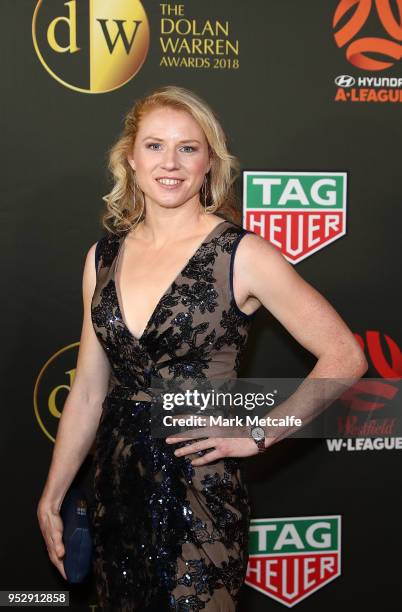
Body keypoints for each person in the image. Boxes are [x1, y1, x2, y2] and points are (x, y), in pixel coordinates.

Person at [37, 85, 367, 610]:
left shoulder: (244, 254)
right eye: (154, 146)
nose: (170, 163)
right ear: (130, 156)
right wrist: (53, 494)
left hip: (199, 490)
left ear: (209, 161)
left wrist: (259, 432)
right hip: (116, 489)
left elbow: (346, 356)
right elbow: (87, 392)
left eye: (188, 148)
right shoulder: (101, 257)